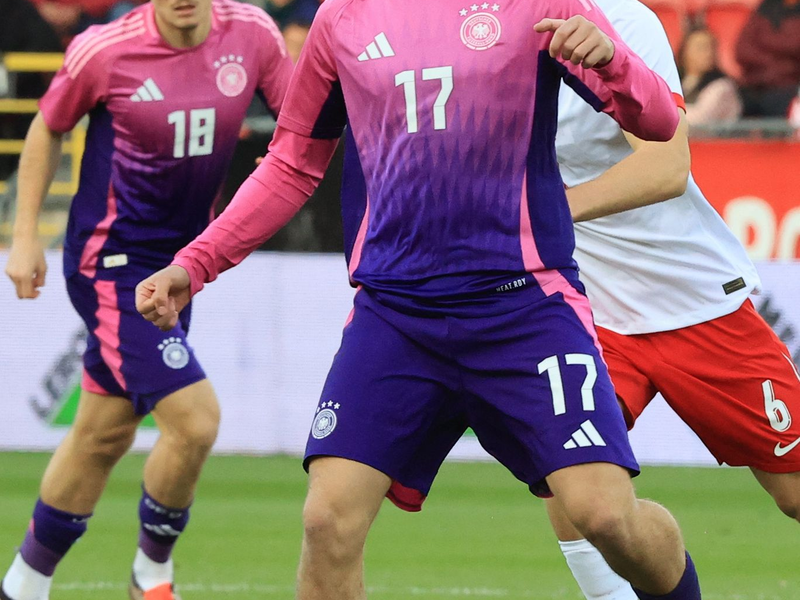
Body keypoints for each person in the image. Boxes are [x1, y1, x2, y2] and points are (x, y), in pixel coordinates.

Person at [137, 1, 702, 599]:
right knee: (326, 521)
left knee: (606, 517)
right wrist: (194, 263)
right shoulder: (343, 16)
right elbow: (292, 163)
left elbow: (661, 122)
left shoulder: (541, 3)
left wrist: (613, 62)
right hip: (396, 316)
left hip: (526, 307)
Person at [1, 0, 292, 599]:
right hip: (112, 266)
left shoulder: (255, 35)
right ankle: (150, 576)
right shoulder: (104, 49)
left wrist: (286, 156)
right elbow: (49, 126)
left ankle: (22, 585)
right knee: (196, 422)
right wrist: (25, 237)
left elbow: (299, 124)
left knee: (101, 434)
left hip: (183, 265)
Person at [548, 0, 800, 598]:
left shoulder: (623, 21)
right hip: (590, 312)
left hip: (694, 303)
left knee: (794, 494)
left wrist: (546, 213)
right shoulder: (481, 34)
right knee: (579, 492)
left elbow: (665, 168)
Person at [735, 0, 800, 117]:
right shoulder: (765, 8)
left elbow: (795, 44)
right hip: (753, 85)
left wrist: (765, 44)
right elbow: (742, 50)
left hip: (787, 88)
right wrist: (779, 60)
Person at [677, 28, 741, 126]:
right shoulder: (676, 81)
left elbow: (700, 120)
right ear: (684, 52)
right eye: (701, 48)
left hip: (715, 140)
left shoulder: (723, 86)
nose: (708, 53)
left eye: (712, 48)